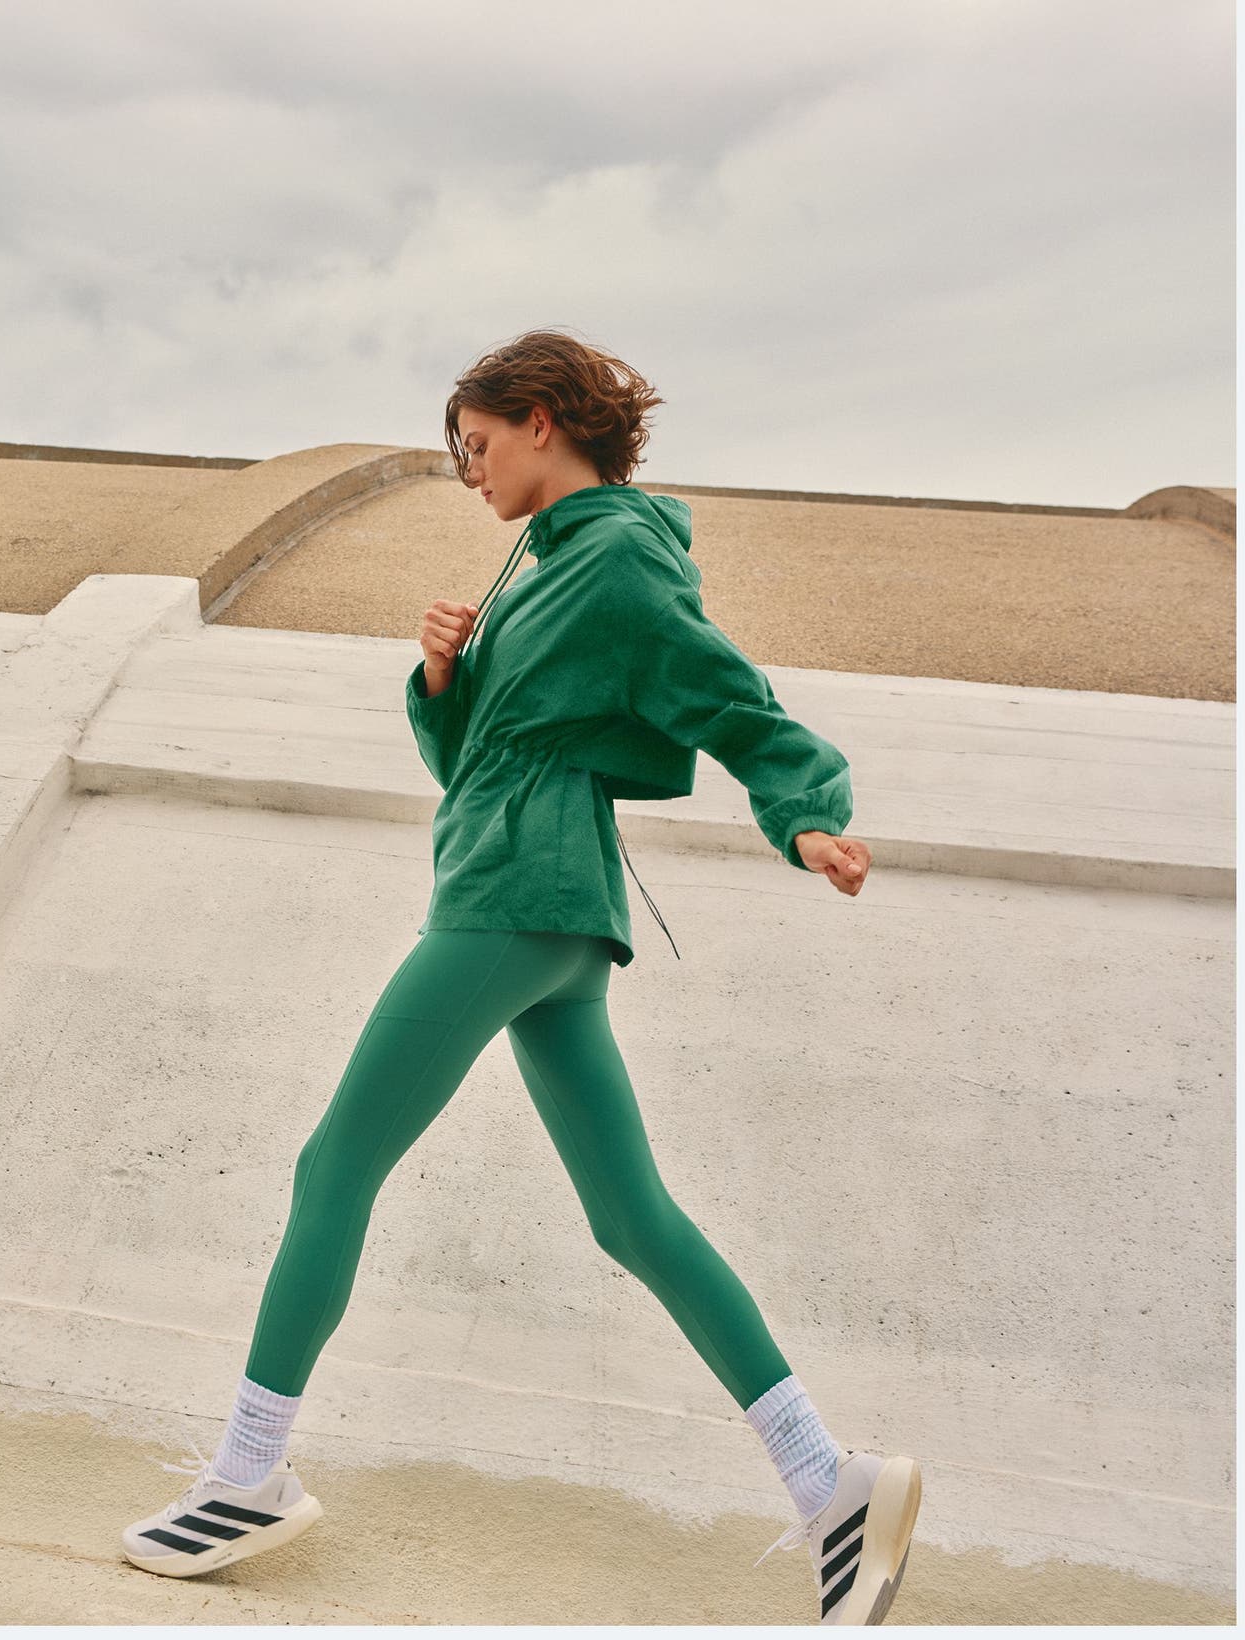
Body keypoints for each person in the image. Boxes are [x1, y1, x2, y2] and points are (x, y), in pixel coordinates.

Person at [121, 328, 921, 1625]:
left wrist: (805, 811)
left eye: (479, 444)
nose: (471, 472)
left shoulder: (613, 559)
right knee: (632, 1218)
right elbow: (475, 759)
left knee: (333, 1166)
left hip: (512, 898)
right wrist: (444, 675)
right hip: (548, 910)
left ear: (543, 419)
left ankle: (248, 1474)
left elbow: (726, 693)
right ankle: (829, 1481)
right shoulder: (547, 569)